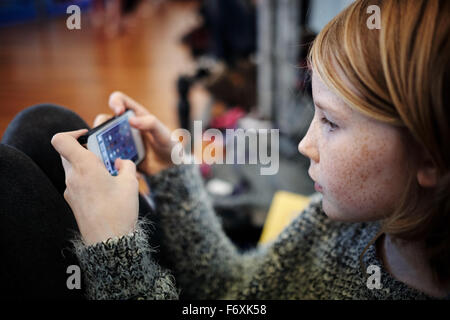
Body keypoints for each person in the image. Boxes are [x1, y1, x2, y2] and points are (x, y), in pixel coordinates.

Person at [1, 0, 449, 299]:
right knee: (43, 126)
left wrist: (115, 251)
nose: (304, 143)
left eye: (331, 122)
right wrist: (170, 173)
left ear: (429, 156)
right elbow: (236, 291)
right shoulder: (349, 223)